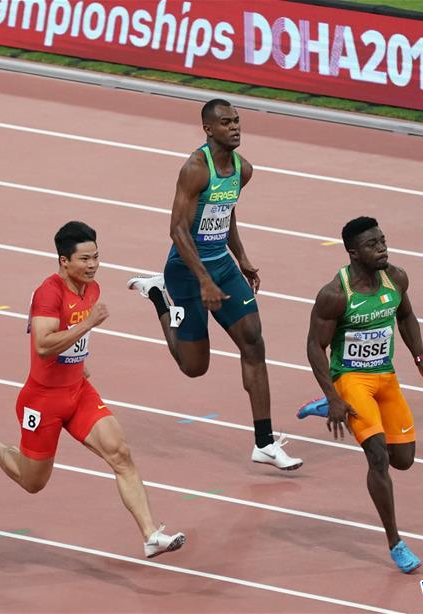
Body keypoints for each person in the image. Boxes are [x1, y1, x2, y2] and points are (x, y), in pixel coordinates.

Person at [0, 221, 185, 558]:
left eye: (96, 257)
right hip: (42, 401)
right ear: (63, 261)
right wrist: (87, 324)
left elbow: (71, 341)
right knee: (33, 482)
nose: (93, 265)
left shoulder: (91, 289)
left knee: (121, 454)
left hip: (78, 391)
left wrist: (80, 362)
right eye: (84, 259)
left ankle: (151, 535)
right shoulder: (48, 293)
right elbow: (42, 345)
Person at [127, 98, 301, 471]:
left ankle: (265, 442)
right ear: (208, 129)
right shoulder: (195, 169)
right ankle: (158, 295)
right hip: (186, 270)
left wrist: (242, 258)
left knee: (253, 342)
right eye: (226, 123)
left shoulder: (244, 169)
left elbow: (226, 209)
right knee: (194, 367)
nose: (235, 127)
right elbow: (177, 229)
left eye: (237, 121)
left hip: (222, 265)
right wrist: (202, 280)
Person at [304, 216, 423, 573]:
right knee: (377, 457)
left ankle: (330, 407)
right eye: (373, 245)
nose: (382, 248)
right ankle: (396, 543)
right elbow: (314, 346)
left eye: (383, 241)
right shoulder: (335, 294)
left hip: (385, 377)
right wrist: (335, 393)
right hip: (351, 379)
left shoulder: (396, 278)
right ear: (353, 252)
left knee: (403, 459)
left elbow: (406, 316)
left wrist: (421, 360)